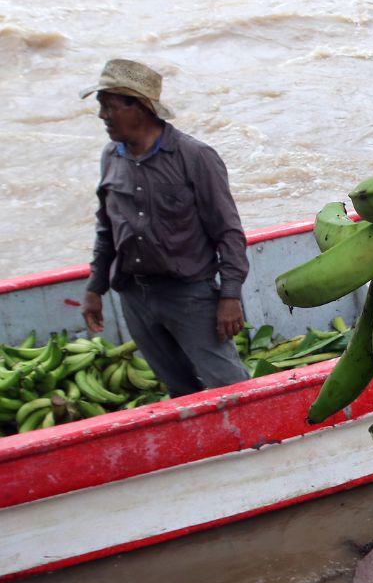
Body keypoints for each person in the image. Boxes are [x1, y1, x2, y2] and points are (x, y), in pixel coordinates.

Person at [80, 59, 250, 398]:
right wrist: (95, 287)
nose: (103, 116)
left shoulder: (194, 156)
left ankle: (263, 445)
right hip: (135, 295)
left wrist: (230, 295)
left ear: (140, 108)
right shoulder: (111, 157)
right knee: (178, 388)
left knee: (229, 384)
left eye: (110, 106)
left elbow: (228, 231)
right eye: (101, 107)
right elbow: (106, 230)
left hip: (189, 294)